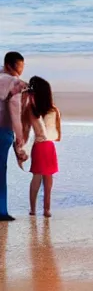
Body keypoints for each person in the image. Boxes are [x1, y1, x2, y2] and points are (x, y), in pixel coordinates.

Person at [22, 77, 61, 218]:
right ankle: (47, 209)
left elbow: (26, 129)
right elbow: (56, 129)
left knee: (37, 177)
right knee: (48, 178)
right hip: (49, 145)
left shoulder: (31, 109)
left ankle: (33, 209)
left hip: (38, 145)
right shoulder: (53, 109)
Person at [0, 52, 27, 221]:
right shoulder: (14, 83)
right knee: (1, 171)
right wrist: (20, 137)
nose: (20, 71)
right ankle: (1, 211)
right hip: (3, 130)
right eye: (19, 67)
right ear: (9, 66)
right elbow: (15, 113)